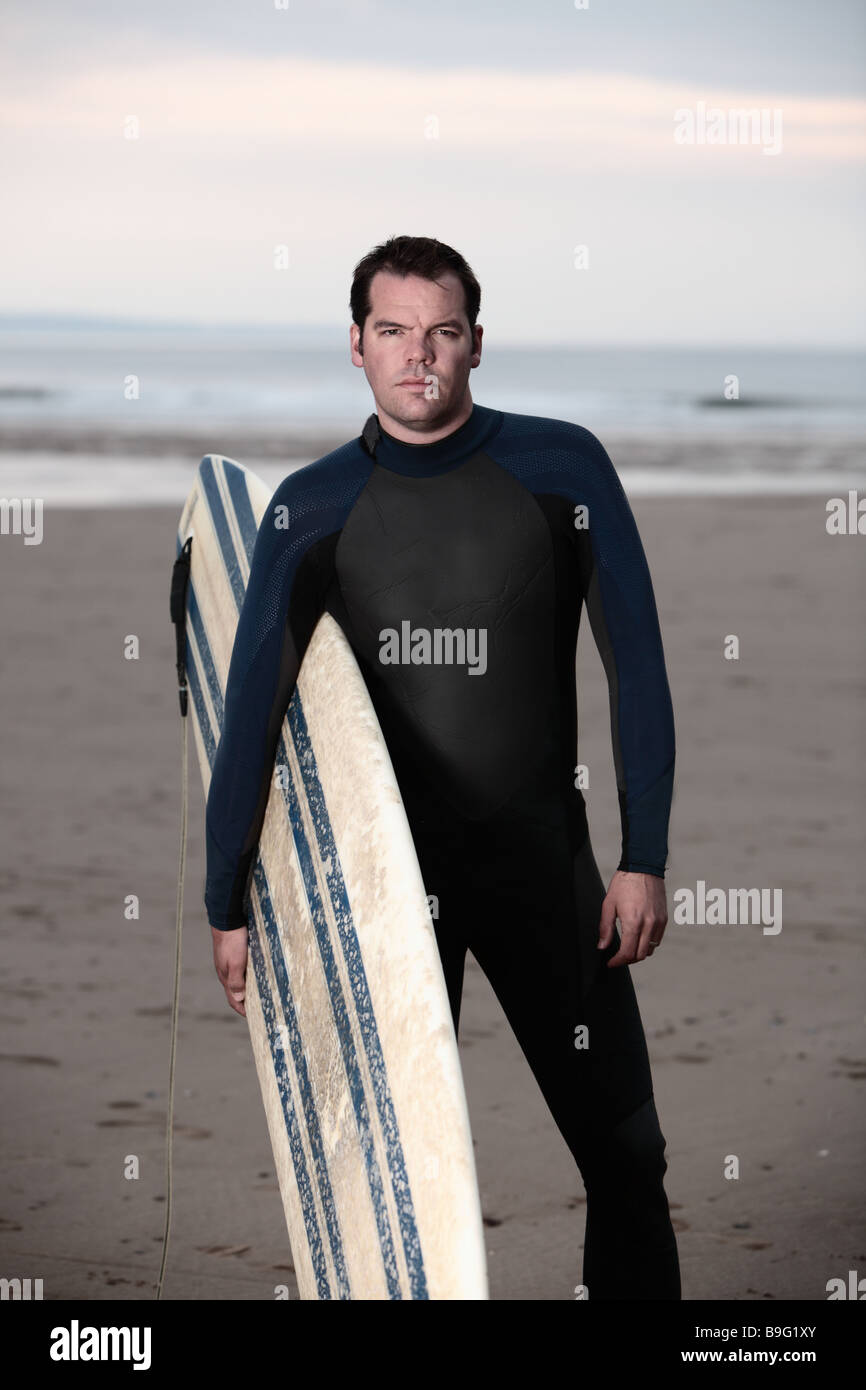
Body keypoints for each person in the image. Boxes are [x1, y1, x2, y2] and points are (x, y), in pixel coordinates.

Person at [205, 235, 681, 1300]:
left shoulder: (561, 469)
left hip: (541, 871)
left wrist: (641, 853)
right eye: (392, 332)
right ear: (355, 345)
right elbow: (252, 713)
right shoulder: (311, 507)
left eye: (442, 332)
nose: (417, 355)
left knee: (626, 1157)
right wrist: (226, 898)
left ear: (474, 344)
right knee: (389, 1191)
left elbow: (635, 660)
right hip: (383, 897)